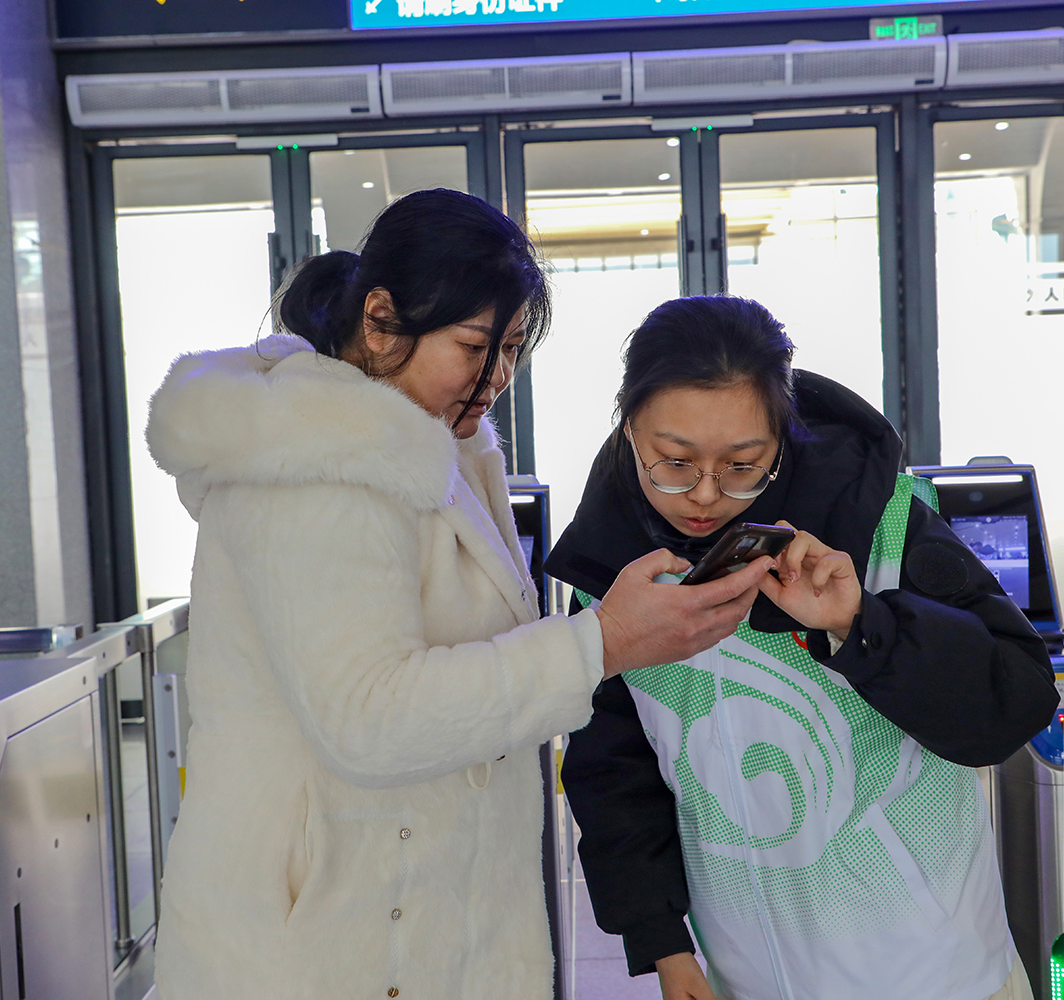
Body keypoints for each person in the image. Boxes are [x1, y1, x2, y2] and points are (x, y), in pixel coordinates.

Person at [146, 191, 777, 1000]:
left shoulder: (431, 443)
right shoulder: (315, 467)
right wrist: (603, 642)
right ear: (381, 322)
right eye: (476, 346)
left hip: (407, 908)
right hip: (327, 939)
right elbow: (368, 718)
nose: (497, 377)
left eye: (511, 348)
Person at [547, 296, 1060, 1000]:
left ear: (781, 437)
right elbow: (614, 776)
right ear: (629, 427)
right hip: (747, 979)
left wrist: (860, 622)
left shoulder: (883, 524)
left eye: (742, 464)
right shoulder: (612, 579)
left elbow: (1012, 706)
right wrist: (661, 941)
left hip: (939, 975)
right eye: (674, 461)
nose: (705, 494)